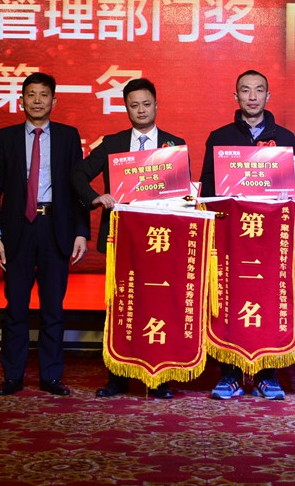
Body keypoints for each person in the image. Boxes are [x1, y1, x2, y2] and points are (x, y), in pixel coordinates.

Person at [71, 78, 187, 399]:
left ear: (156, 105)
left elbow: (183, 192)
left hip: (161, 239)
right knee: (121, 306)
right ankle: (117, 377)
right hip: (122, 237)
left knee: (159, 305)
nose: (141, 110)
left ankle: (159, 379)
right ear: (126, 108)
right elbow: (77, 174)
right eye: (134, 105)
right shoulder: (113, 143)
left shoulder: (174, 145)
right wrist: (95, 198)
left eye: (146, 104)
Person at [0, 72, 90, 396]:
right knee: (16, 307)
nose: (38, 101)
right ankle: (12, 376)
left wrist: (81, 232)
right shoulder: (5, 137)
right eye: (31, 94)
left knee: (53, 307)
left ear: (54, 100)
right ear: (21, 101)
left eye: (44, 95)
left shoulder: (69, 136)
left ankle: (51, 376)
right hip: (16, 231)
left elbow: (78, 187)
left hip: (55, 228)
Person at [199, 69, 295, 400]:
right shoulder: (220, 136)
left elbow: (292, 188)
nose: (252, 96)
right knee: (229, 302)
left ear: (268, 96)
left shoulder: (285, 138)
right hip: (232, 238)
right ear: (236, 96)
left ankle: (267, 375)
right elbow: (207, 187)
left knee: (268, 301)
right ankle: (229, 375)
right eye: (245, 90)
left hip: (270, 239)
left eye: (259, 90)